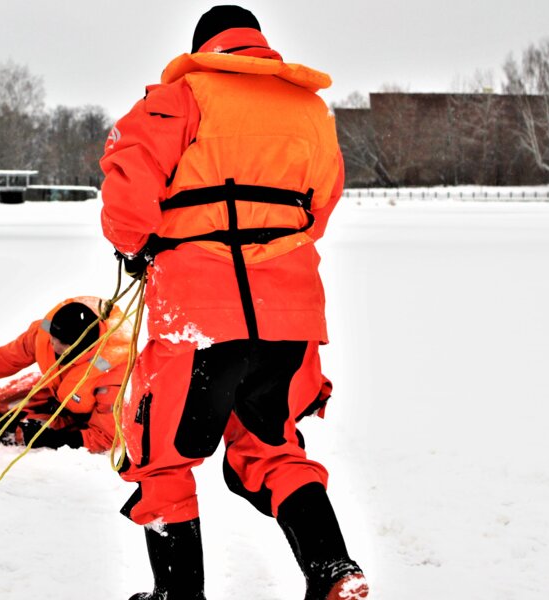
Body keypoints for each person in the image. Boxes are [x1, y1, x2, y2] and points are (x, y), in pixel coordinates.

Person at [99, 6, 368, 600]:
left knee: (161, 457)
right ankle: (334, 571)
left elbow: (128, 183)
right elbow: (319, 208)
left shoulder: (180, 96)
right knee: (271, 448)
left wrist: (136, 244)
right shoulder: (310, 110)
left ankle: (178, 596)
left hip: (198, 318)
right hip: (290, 315)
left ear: (206, 48)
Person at [0, 296, 132, 453]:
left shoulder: (113, 373)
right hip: (54, 392)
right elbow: (3, 360)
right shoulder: (44, 334)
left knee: (27, 432)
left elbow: (107, 436)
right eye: (53, 336)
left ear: (80, 346)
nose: (53, 344)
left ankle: (21, 427)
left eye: (61, 342)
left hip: (84, 419)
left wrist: (57, 439)